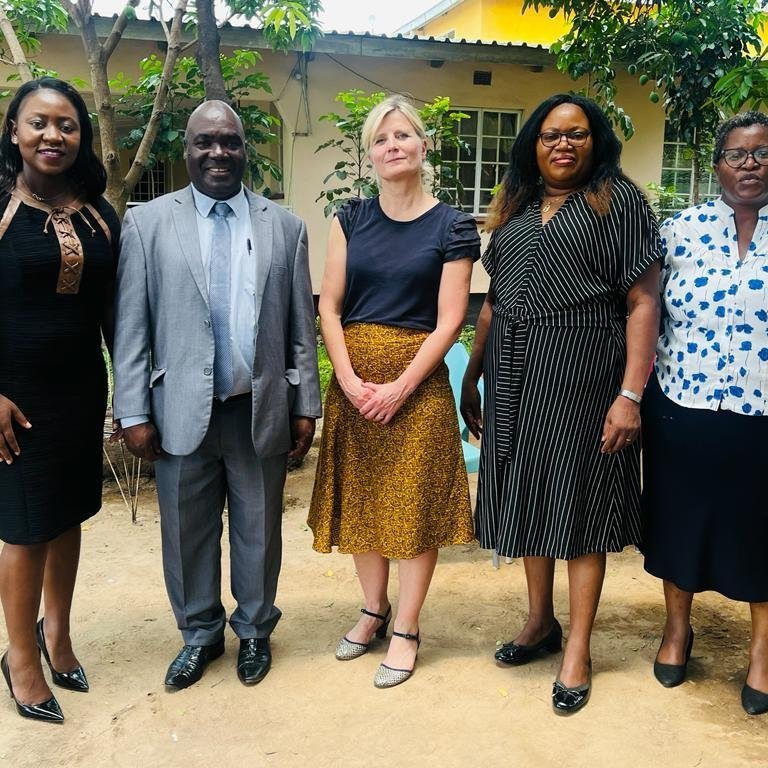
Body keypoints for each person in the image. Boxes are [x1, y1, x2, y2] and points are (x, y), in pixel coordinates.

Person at [461, 94, 661, 714]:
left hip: (584, 374)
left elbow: (643, 302)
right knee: (529, 495)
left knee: (580, 506)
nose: (563, 145)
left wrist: (629, 395)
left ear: (596, 141)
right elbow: (493, 302)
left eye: (577, 134)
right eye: (551, 135)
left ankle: (578, 648)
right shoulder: (516, 206)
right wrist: (472, 375)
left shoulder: (618, 202)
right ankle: (540, 621)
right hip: (514, 376)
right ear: (534, 144)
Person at [113, 100, 321, 690]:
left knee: (260, 529)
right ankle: (200, 635)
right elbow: (132, 326)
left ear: (244, 148)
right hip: (178, 411)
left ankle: (254, 630)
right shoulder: (149, 224)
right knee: (186, 532)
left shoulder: (286, 227)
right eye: (205, 142)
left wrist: (306, 404)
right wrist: (132, 410)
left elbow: (299, 327)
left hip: (259, 408)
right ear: (186, 149)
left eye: (229, 141)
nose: (218, 153)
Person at [308, 94, 478, 688]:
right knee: (363, 502)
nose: (392, 146)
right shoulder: (349, 218)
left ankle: (406, 627)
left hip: (418, 387)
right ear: (370, 154)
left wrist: (401, 386)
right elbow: (329, 306)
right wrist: (347, 379)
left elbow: (450, 320)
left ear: (423, 145)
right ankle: (373, 609)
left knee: (414, 508)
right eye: (381, 139)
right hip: (354, 385)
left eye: (402, 135)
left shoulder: (452, 225)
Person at [0, 77, 120, 723]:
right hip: (13, 401)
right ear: (14, 131)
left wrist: (129, 394)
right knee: (25, 529)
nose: (53, 135)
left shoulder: (100, 214)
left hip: (80, 390)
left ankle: (58, 635)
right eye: (39, 123)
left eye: (67, 125)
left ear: (82, 135)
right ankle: (20, 659)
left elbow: (113, 313)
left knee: (68, 515)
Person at [642, 112, 768, 716]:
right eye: (737, 154)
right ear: (716, 165)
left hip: (762, 414)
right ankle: (677, 630)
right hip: (682, 406)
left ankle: (762, 652)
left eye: (763, 153)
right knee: (680, 522)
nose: (750, 164)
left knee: (762, 529)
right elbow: (644, 309)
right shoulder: (679, 231)